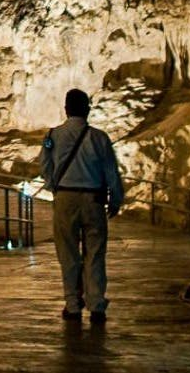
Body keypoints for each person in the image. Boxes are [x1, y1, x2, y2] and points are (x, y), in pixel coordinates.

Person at [41, 87, 124, 323]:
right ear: (87, 110)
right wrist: (116, 199)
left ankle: (73, 305)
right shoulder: (100, 138)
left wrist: (54, 187)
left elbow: (45, 165)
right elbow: (111, 172)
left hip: (65, 197)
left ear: (66, 109)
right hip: (93, 199)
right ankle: (96, 304)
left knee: (68, 253)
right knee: (95, 252)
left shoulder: (52, 136)